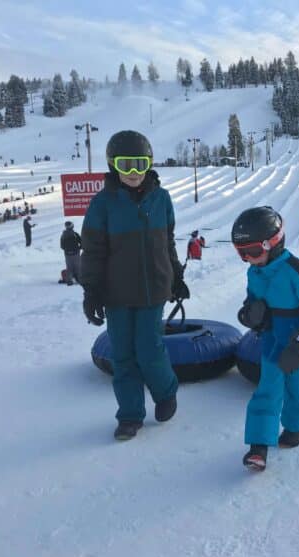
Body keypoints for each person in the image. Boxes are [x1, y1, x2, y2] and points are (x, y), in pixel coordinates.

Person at [80, 130, 189, 441]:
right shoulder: (103, 204)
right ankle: (130, 415)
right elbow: (94, 252)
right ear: (113, 165)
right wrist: (92, 291)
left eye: (139, 164)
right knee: (123, 355)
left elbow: (167, 243)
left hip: (154, 289)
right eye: (125, 165)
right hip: (116, 294)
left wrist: (177, 276)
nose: (133, 173)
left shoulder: (162, 199)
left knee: (149, 349)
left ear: (149, 164)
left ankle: (166, 392)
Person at [232, 206, 299, 471]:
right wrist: (250, 314)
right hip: (273, 343)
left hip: (298, 345)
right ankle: (258, 447)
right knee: (267, 391)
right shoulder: (255, 272)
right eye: (242, 253)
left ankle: (296, 428)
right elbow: (253, 301)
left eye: (252, 252)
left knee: (298, 390)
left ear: (272, 243)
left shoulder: (296, 271)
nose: (248, 259)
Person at [60, 221, 82, 285]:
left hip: (67, 254)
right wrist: (79, 248)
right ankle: (79, 279)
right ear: (72, 226)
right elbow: (81, 242)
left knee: (69, 268)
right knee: (77, 267)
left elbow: (62, 246)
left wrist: (66, 250)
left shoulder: (63, 235)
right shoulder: (75, 234)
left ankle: (69, 280)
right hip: (76, 253)